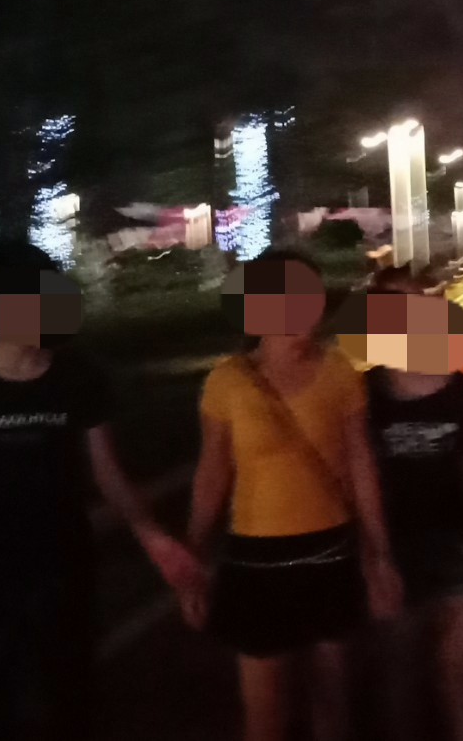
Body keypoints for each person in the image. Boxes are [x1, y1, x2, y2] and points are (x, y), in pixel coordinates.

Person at [0, 237, 205, 740]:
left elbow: (108, 474)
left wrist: (153, 538)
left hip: (65, 567)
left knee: (72, 702)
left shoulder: (79, 378)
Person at [183, 249, 402, 741]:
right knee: (266, 716)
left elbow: (360, 465)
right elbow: (212, 471)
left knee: (333, 705)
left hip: (330, 553)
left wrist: (378, 552)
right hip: (255, 563)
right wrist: (194, 551)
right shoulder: (228, 380)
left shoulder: (340, 373)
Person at [350, 285, 463, 741]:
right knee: (400, 670)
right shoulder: (364, 397)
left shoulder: (457, 388)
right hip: (397, 547)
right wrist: (370, 554)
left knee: (460, 670)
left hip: (462, 543)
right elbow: (356, 478)